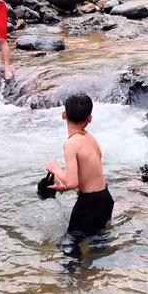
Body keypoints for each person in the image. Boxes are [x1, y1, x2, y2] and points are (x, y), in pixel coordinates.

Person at [47, 93, 114, 237]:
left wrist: (56, 170)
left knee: (70, 248)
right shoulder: (91, 138)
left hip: (88, 204)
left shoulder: (70, 144)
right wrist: (62, 187)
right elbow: (88, 174)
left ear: (64, 115)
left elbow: (72, 182)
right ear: (90, 119)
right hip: (105, 198)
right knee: (97, 242)